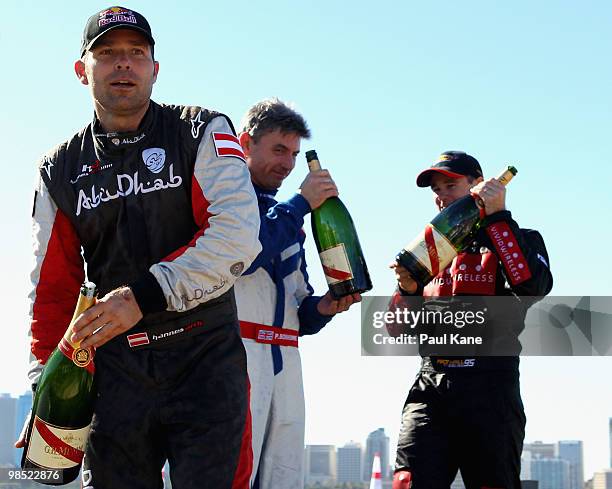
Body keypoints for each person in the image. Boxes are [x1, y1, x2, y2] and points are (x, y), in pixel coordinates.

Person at [18, 6, 260, 489]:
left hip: (205, 359)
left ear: (155, 68)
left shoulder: (203, 130)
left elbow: (237, 234)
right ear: (81, 70)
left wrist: (142, 296)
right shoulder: (57, 171)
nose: (122, 63)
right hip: (113, 373)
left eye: (136, 53)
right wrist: (45, 387)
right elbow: (50, 291)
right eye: (107, 53)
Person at [390, 151, 553, 489]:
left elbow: (532, 287)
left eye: (450, 185)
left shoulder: (524, 238)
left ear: (478, 186)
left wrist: (497, 217)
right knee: (407, 482)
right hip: (431, 384)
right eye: (436, 189)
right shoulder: (427, 253)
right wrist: (406, 286)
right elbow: (396, 327)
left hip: (490, 386)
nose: (441, 196)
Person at [235, 98, 361, 489]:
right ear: (245, 144)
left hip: (286, 361)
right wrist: (302, 202)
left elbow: (299, 316)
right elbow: (246, 254)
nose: (288, 163)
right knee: (234, 472)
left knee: (283, 477)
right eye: (278, 149)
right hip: (237, 356)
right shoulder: (223, 200)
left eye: (292, 152)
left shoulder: (288, 218)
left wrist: (325, 306)